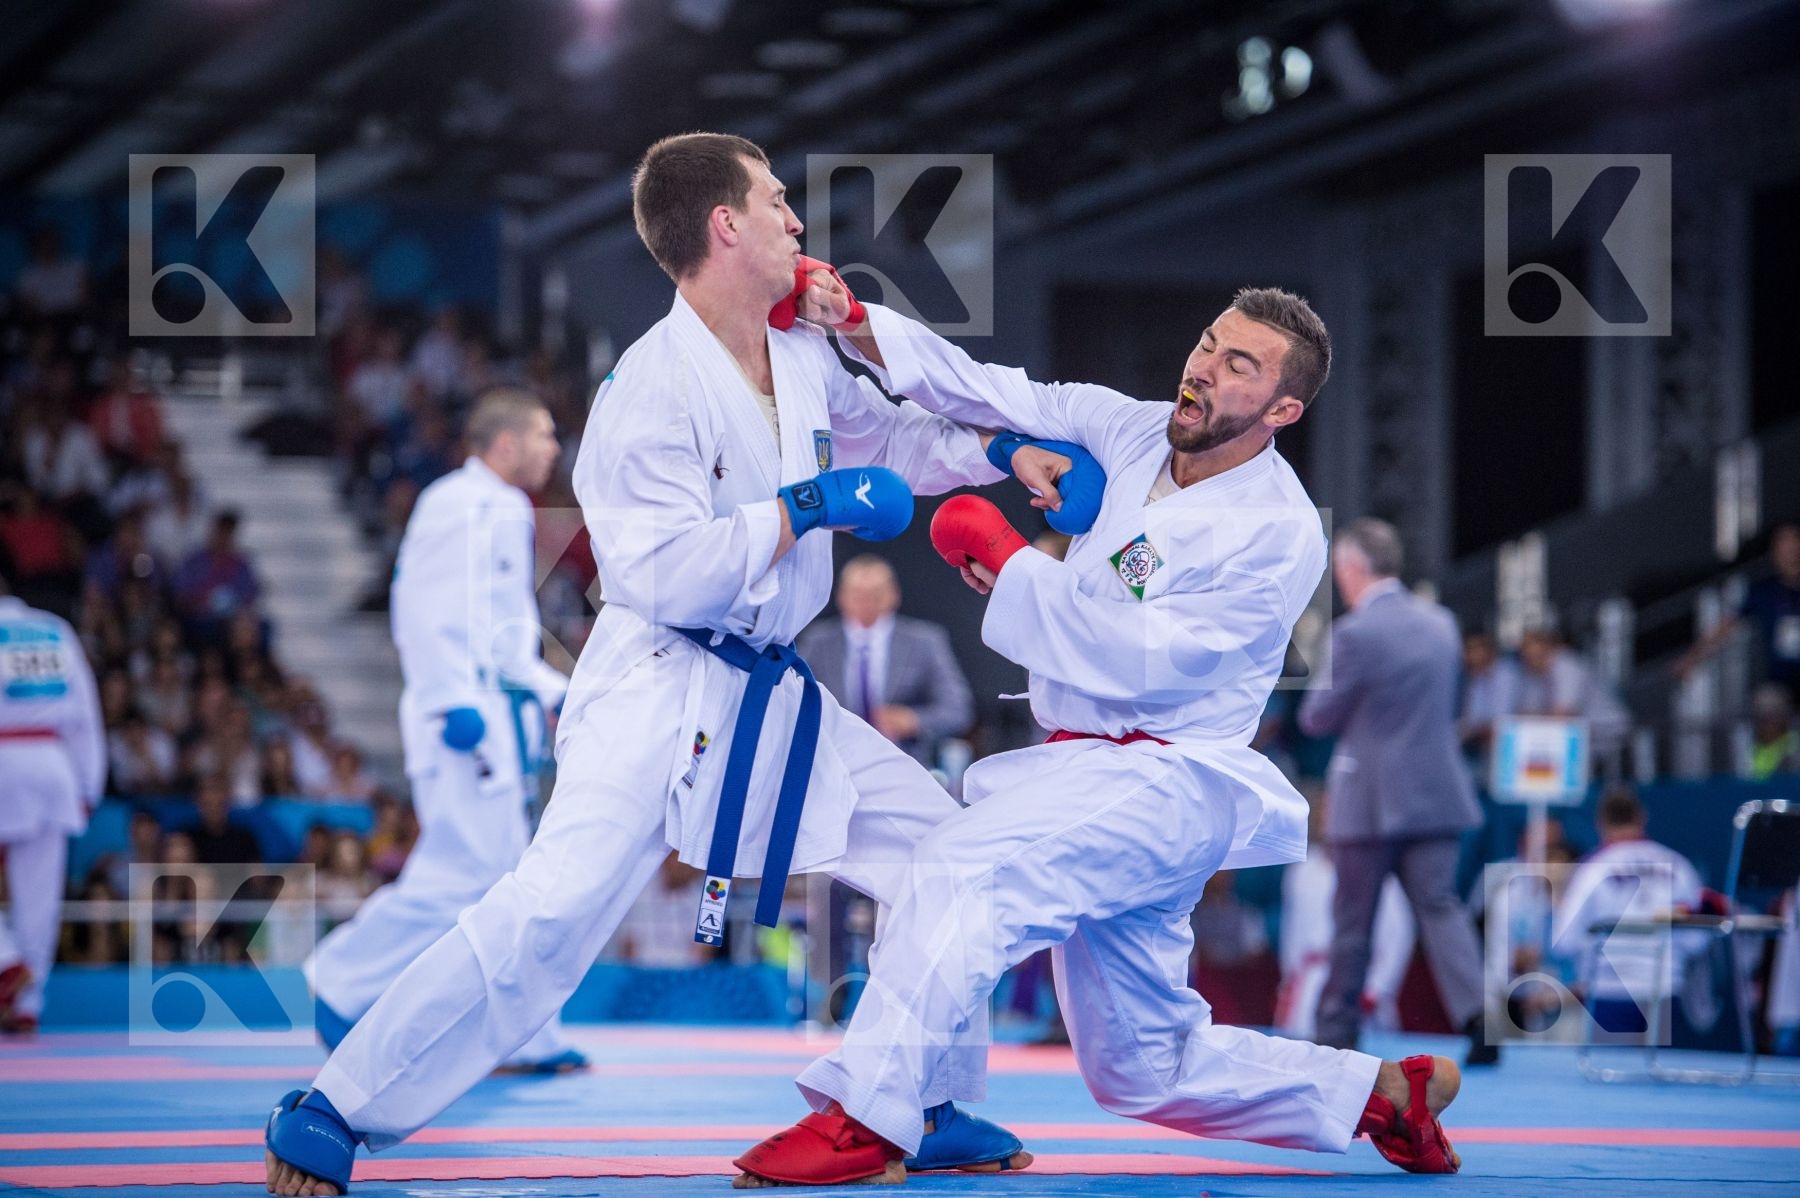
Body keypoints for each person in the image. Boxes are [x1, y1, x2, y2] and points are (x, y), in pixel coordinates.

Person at [262, 132, 1098, 1196]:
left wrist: (998, 454)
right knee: (551, 914)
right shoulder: (645, 392)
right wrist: (798, 511)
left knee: (944, 851)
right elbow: (656, 576)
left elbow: (888, 440)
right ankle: (336, 1106)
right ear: (725, 225)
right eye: (778, 202)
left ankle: (916, 1100)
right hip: (655, 682)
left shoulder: (795, 353)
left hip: (766, 686)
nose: (798, 222)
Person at [732, 287, 1463, 1186]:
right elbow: (991, 391)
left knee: (961, 869)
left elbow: (1148, 661)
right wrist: (854, 322)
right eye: (1207, 344)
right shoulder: (1134, 429)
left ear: (1282, 410)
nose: (1203, 368)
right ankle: (1382, 1094)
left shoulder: (1278, 532)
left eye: (1239, 365)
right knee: (1141, 1069)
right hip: (1080, 766)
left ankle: (870, 1120)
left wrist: (1012, 572)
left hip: (1167, 776)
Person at [303, 390, 588, 1075]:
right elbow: (422, 609)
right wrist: (447, 700)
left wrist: (564, 692)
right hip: (460, 718)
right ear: (506, 443)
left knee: (507, 886)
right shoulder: (453, 503)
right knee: (464, 878)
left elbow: (508, 636)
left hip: (495, 710)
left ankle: (522, 1035)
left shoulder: (509, 508)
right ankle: (341, 978)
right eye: (544, 435)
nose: (554, 449)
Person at [1296, 520, 1494, 1066]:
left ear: (1352, 569)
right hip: (1436, 790)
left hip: (1369, 798)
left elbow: (1316, 716)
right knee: (1440, 906)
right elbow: (1454, 708)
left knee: (1353, 920)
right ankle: (1479, 1018)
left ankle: (1337, 1032)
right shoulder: (1443, 625)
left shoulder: (1354, 634)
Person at [0, 572, 105, 1035]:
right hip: (52, 762)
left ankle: (6, 963)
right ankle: (28, 1003)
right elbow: (85, 715)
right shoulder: (54, 630)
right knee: (38, 896)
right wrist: (88, 786)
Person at [1552, 788, 1706, 1036]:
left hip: (1609, 988)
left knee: (1610, 1069)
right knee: (1659, 1069)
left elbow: (1564, 941)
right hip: (1663, 988)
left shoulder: (1592, 869)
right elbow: (1696, 941)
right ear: (1642, 817)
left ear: (1600, 823)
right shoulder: (1678, 866)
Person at [798, 554, 973, 767]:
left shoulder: (924, 640)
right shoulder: (818, 642)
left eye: (876, 594)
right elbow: (796, 700)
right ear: (841, 596)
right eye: (858, 594)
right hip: (832, 761)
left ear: (893, 595)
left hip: (902, 761)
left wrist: (912, 719)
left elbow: (958, 708)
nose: (867, 602)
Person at [1678, 521, 1800, 703]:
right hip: (1780, 684)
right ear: (1774, 552)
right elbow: (1726, 626)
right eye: (1784, 545)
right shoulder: (1764, 591)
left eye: (1794, 543)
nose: (1790, 552)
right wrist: (1693, 657)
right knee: (1768, 704)